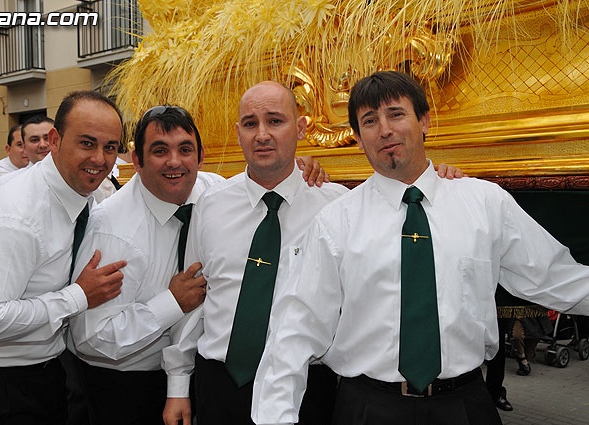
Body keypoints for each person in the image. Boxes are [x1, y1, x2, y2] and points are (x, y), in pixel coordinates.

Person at [250, 71, 589, 425]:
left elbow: (556, 278)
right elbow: (296, 327)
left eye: (396, 114)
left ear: (424, 120)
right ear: (358, 137)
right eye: (369, 121)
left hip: (465, 405)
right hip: (367, 408)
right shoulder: (335, 222)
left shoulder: (484, 203)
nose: (384, 130)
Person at [161, 81, 348, 425]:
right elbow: (194, 300)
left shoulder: (335, 207)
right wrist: (178, 385)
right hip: (221, 383)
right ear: (238, 133)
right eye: (250, 124)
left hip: (306, 383)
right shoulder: (210, 205)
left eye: (275, 121)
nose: (262, 134)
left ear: (301, 128)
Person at [0, 91, 128, 424]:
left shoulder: (80, 194)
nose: (101, 159)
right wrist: (78, 297)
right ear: (56, 141)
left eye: (111, 146)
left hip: (43, 372)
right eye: (87, 143)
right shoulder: (16, 213)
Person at [68, 105, 220, 424]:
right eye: (160, 151)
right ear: (136, 161)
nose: (175, 161)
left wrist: (303, 170)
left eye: (185, 149)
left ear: (201, 156)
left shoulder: (217, 194)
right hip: (125, 387)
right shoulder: (111, 230)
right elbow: (91, 337)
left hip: (199, 375)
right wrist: (171, 303)